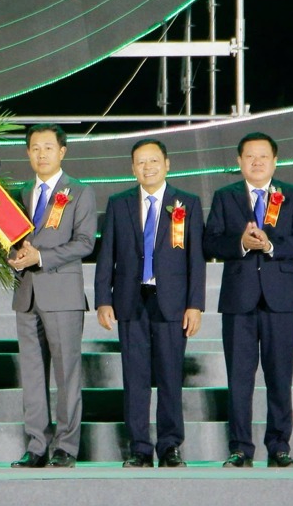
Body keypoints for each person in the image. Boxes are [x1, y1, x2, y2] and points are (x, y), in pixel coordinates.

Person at [94, 139, 205, 468]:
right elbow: (107, 256)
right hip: (130, 301)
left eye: (154, 160)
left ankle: (170, 446)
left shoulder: (187, 202)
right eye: (141, 162)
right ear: (132, 168)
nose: (148, 167)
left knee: (171, 377)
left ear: (167, 164)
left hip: (172, 303)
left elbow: (195, 259)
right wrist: (103, 300)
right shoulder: (119, 203)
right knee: (135, 379)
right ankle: (139, 447)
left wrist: (195, 304)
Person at [203, 132, 293, 468]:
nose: (257, 162)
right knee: (239, 377)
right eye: (250, 156)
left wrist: (271, 246)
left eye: (264, 156)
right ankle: (240, 448)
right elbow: (211, 242)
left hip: (281, 299)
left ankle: (279, 446)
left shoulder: (292, 195)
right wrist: (244, 244)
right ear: (239, 161)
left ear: (275, 161)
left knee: (280, 377)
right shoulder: (225, 196)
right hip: (239, 299)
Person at [7, 124, 96, 468]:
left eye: (48, 147)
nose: (41, 154)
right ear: (27, 153)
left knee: (66, 374)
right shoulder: (21, 192)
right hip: (26, 295)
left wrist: (40, 257)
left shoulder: (79, 192)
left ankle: (66, 447)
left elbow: (85, 242)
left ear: (62, 151)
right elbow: (9, 240)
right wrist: (14, 257)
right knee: (32, 375)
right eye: (34, 148)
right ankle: (37, 445)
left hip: (62, 295)